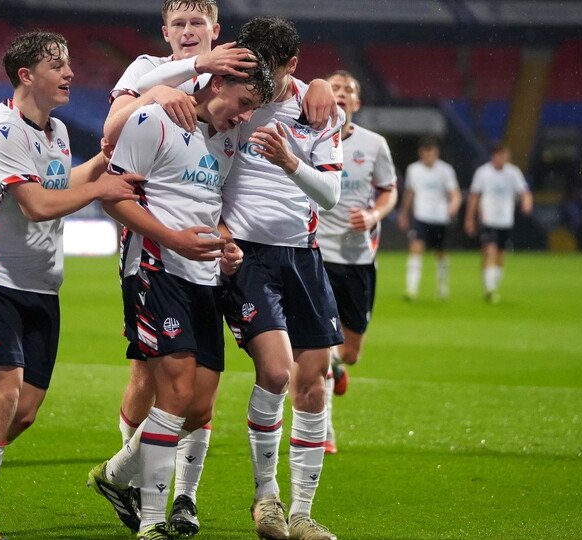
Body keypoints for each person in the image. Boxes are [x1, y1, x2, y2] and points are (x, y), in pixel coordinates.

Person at [101, 2, 338, 534]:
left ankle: (171, 493)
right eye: (178, 25)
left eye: (197, 26)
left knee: (196, 396)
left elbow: (222, 194)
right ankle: (145, 496)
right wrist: (159, 91)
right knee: (158, 380)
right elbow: (111, 134)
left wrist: (321, 83)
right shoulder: (150, 79)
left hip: (211, 261)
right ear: (167, 32)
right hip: (154, 257)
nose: (187, 33)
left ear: (217, 35)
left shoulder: (235, 123)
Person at [0, 31, 140, 540]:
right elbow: (37, 205)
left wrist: (100, 163)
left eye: (68, 64)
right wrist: (101, 187)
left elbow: (56, 184)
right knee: (2, 398)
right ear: (27, 76)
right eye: (57, 66)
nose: (69, 73)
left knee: (21, 413)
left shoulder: (58, 131)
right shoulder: (2, 129)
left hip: (42, 286)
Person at [87, 55, 274, 540]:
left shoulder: (230, 138)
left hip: (204, 275)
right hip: (155, 267)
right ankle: (151, 522)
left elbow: (211, 208)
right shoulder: (154, 119)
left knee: (199, 406)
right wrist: (172, 239)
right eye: (245, 103)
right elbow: (112, 197)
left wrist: (224, 242)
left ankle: (113, 476)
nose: (245, 116)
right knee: (173, 391)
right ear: (220, 81)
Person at [220, 17, 344, 540]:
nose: (258, 81)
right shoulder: (231, 98)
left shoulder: (319, 109)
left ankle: (301, 514)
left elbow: (331, 197)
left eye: (268, 71)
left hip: (303, 255)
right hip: (247, 256)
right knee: (275, 372)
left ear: (292, 65)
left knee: (312, 384)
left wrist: (291, 162)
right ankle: (266, 497)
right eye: (251, 67)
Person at [316, 71, 398, 455]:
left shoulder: (374, 145)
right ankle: (324, 430)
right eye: (336, 89)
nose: (342, 94)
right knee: (320, 346)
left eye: (349, 90)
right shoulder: (311, 139)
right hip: (316, 255)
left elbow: (389, 191)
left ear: (357, 103)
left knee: (349, 351)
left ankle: (337, 365)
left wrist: (374, 216)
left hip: (358, 258)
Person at [464, 143, 533, 303]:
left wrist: (527, 202)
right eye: (500, 155)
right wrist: (470, 219)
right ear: (494, 156)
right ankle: (490, 289)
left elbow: (524, 191)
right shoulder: (483, 172)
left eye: (505, 154)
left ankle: (492, 285)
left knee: (501, 255)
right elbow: (474, 197)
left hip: (505, 220)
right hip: (488, 218)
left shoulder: (513, 172)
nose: (503, 158)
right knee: (489, 250)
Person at [396, 137, 461, 301]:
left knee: (441, 253)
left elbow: (455, 194)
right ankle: (411, 289)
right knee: (415, 249)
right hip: (421, 217)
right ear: (421, 153)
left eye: (431, 152)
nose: (428, 156)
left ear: (436, 152)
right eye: (425, 152)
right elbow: (410, 193)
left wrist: (453, 205)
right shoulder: (414, 169)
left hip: (440, 218)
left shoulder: (446, 170)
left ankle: (442, 286)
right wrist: (404, 214)